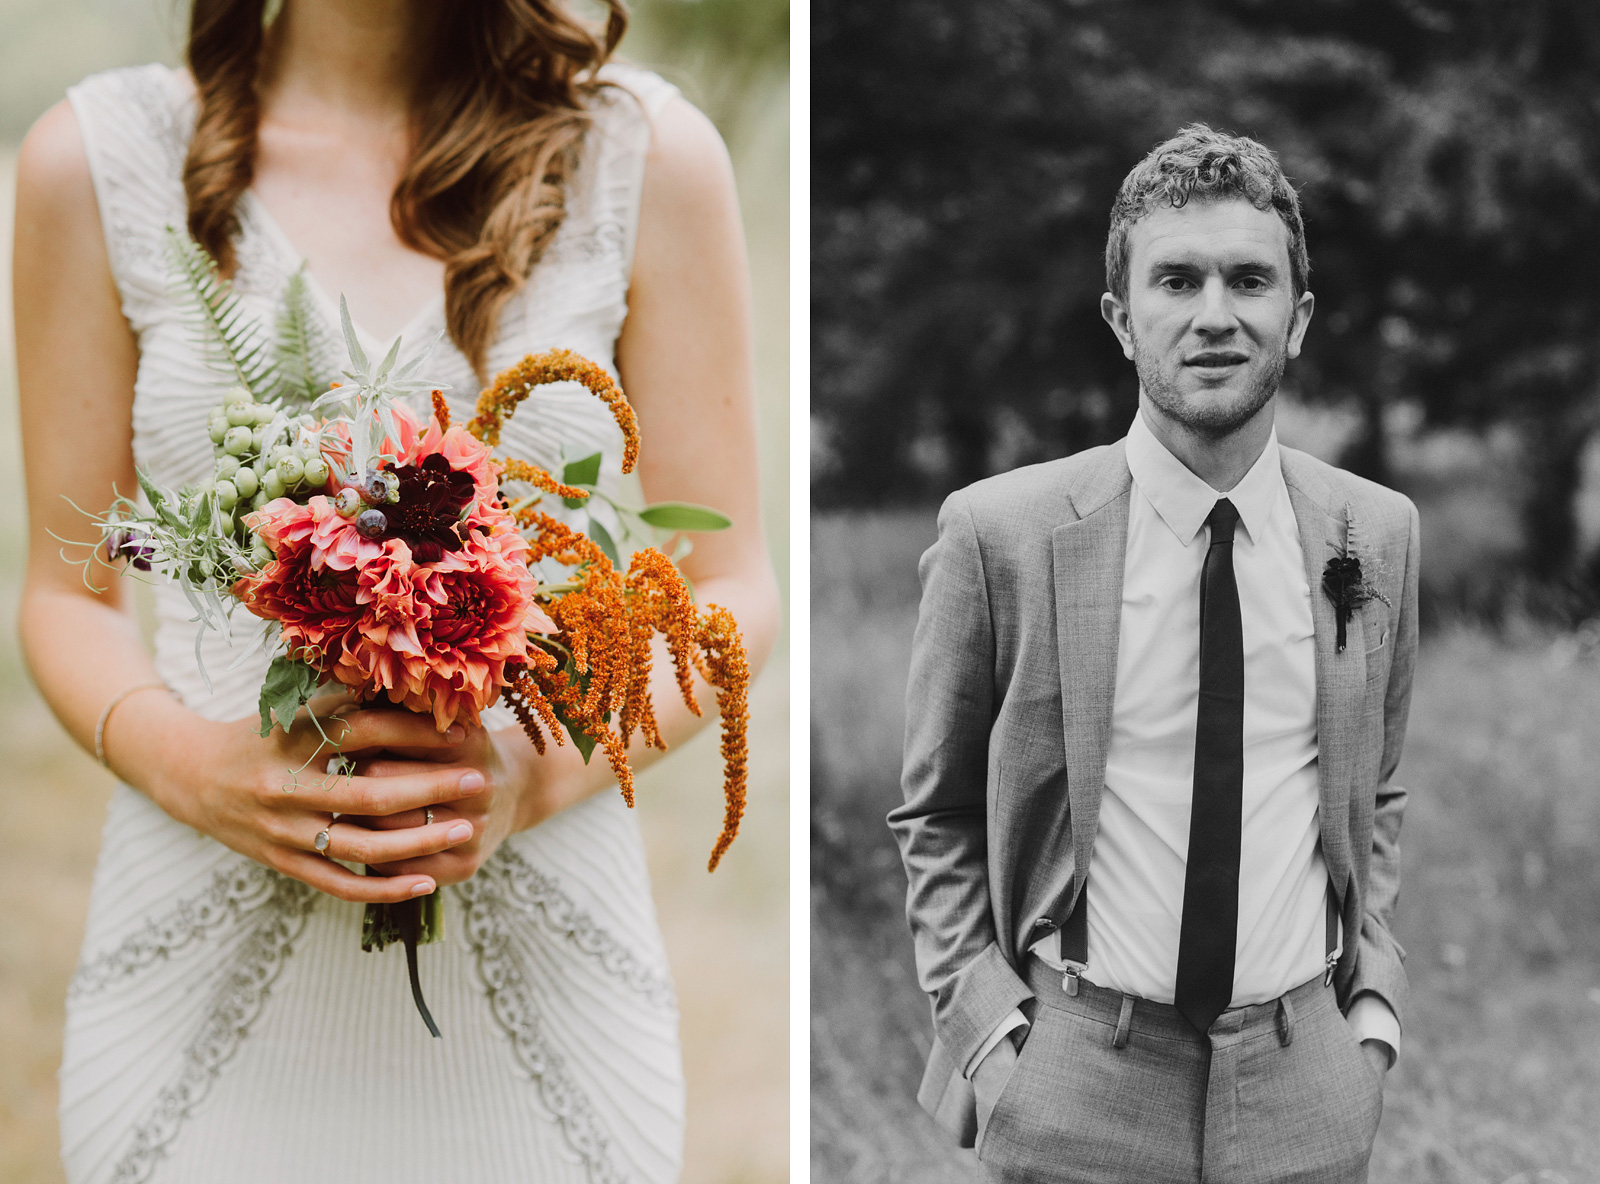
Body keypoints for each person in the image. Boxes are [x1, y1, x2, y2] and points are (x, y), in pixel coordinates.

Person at [13, 0, 779, 1180]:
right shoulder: (94, 159)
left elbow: (726, 582)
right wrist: (201, 770)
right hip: (197, 970)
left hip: (538, 1006)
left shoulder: (643, 159)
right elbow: (69, 592)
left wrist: (528, 778)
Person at [891, 124, 1417, 1183]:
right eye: (1176, 279)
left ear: (1297, 317)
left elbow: (1378, 785)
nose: (1214, 313)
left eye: (1248, 279)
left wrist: (1369, 1019)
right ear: (1123, 320)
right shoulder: (1002, 534)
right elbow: (935, 810)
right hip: (1076, 1078)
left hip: (1304, 1079)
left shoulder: (1376, 531)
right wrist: (995, 1043)